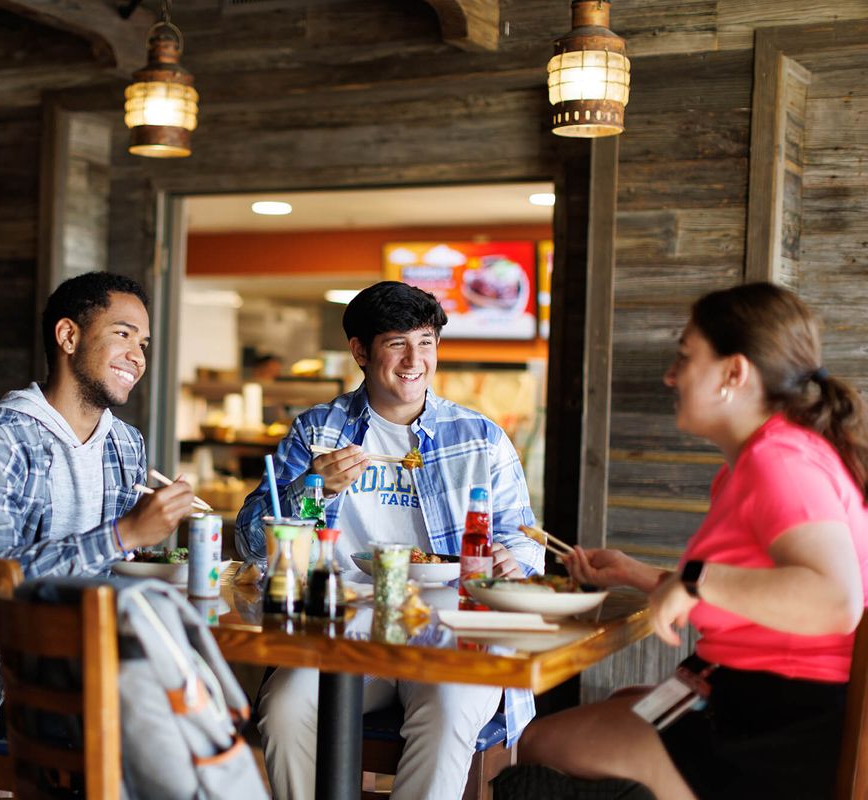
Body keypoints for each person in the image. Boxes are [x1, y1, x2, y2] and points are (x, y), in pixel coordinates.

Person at [511, 283, 868, 800]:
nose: (670, 376)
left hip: (773, 730)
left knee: (539, 745)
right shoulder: (769, 455)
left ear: (734, 373)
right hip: (738, 696)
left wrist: (697, 581)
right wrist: (640, 575)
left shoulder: (780, 461)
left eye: (684, 358)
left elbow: (836, 602)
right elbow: (752, 590)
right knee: (620, 705)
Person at [235, 281, 543, 800]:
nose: (414, 359)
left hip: (451, 628)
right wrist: (311, 487)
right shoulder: (318, 431)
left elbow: (523, 538)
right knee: (286, 709)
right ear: (360, 350)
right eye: (397, 342)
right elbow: (247, 542)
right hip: (346, 624)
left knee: (447, 714)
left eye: (426, 342)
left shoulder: (480, 437)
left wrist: (512, 559)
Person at [0, 271, 196, 761]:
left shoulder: (125, 444)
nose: (138, 357)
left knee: (189, 702)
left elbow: (117, 563)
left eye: (143, 343)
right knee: (159, 729)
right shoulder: (1, 436)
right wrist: (125, 533)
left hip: (86, 652)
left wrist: (163, 547)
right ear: (68, 336)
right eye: (123, 335)